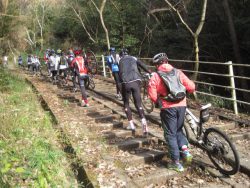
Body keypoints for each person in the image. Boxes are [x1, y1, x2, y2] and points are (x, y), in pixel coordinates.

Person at [148, 52, 195, 172]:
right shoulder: (178, 71)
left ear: (157, 64)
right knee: (179, 129)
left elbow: (152, 95)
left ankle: (176, 162)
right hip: (182, 105)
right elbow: (191, 87)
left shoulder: (155, 76)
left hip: (168, 107)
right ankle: (185, 151)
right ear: (167, 61)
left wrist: (158, 101)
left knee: (170, 134)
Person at [118, 48, 150, 135]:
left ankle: (131, 125)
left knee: (126, 103)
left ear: (121, 55)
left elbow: (119, 75)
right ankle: (144, 123)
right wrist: (149, 72)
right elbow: (142, 65)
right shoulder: (133, 58)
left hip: (125, 83)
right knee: (138, 104)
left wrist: (119, 88)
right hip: (136, 81)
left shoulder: (120, 61)